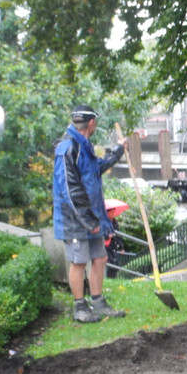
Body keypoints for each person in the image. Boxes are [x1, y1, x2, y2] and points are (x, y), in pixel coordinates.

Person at [53, 104, 128, 323]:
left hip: (92, 216)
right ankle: (79, 307)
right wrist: (88, 221)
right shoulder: (67, 148)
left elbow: (95, 170)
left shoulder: (84, 146)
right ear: (92, 123)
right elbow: (69, 190)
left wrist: (118, 151)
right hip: (74, 218)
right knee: (78, 262)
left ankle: (98, 302)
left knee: (100, 257)